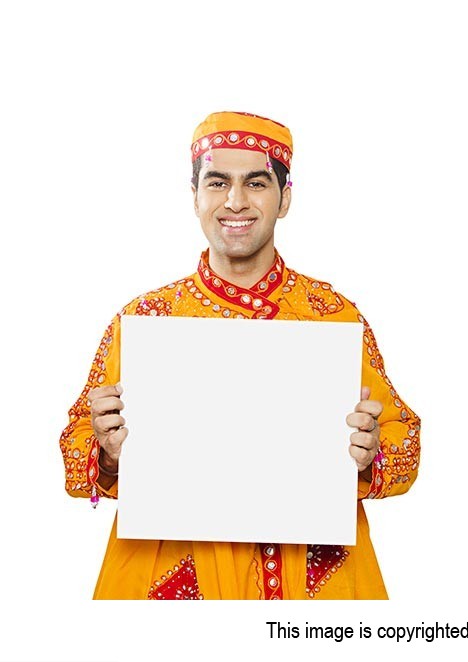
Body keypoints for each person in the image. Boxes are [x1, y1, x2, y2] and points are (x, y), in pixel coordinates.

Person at [59, 111, 420, 599]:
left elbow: (406, 439)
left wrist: (369, 453)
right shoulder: (147, 320)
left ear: (284, 198)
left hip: (316, 577)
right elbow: (75, 443)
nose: (235, 201)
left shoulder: (334, 318)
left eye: (256, 182)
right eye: (217, 182)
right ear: (195, 197)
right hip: (172, 579)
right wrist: (107, 452)